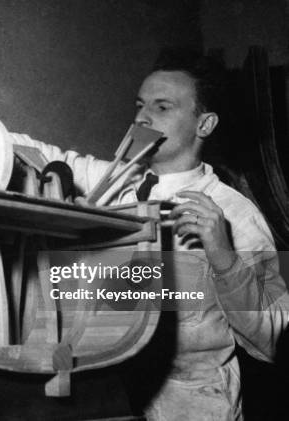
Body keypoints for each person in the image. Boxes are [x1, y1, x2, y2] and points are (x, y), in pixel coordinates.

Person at [15, 50, 289, 420]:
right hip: (110, 394)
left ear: (204, 124)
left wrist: (225, 259)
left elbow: (273, 341)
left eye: (162, 107)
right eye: (140, 105)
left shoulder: (235, 213)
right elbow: (38, 153)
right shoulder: (114, 183)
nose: (141, 118)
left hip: (195, 404)